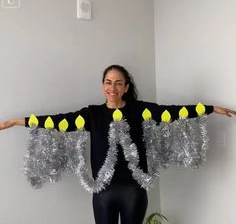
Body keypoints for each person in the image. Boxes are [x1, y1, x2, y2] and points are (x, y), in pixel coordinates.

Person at [0, 65, 236, 224]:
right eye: (108, 82)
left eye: (118, 83)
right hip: (103, 192)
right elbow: (56, 121)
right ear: (103, 85)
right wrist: (16, 122)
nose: (112, 88)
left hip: (133, 190)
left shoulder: (141, 110)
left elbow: (173, 112)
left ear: (126, 87)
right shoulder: (90, 115)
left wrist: (211, 108)